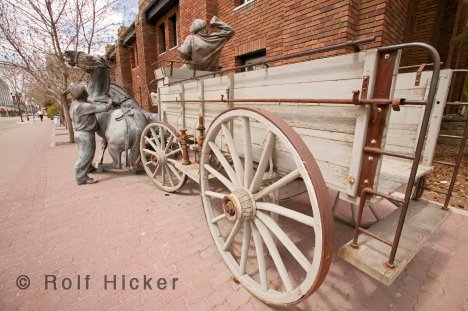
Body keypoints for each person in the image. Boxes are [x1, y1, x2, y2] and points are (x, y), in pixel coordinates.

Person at [69, 84, 113, 185]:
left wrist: (99, 100)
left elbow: (91, 102)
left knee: (86, 154)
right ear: (82, 94)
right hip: (85, 134)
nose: (87, 93)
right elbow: (103, 108)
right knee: (85, 156)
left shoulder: (75, 103)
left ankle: (88, 168)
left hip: (81, 133)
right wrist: (109, 102)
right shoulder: (82, 106)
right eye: (85, 92)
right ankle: (81, 177)